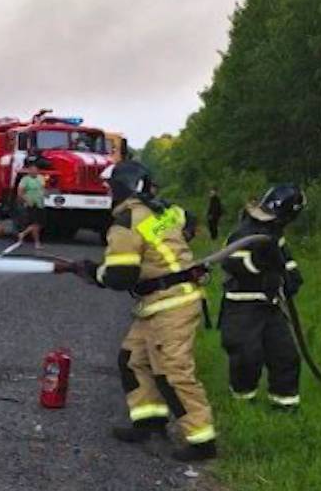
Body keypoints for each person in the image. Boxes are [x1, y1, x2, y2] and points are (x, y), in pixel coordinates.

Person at [68, 159, 218, 462]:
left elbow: (119, 276)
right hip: (161, 300)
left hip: (171, 304)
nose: (108, 193)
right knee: (132, 358)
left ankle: (202, 439)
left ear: (121, 187)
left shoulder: (126, 222)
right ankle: (149, 421)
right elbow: (189, 220)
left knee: (172, 371)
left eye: (110, 188)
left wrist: (93, 272)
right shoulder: (166, 210)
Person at [219, 184, 307, 412]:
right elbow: (232, 262)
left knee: (285, 355)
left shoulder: (275, 233)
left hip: (270, 306)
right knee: (247, 356)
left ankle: (285, 405)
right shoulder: (245, 232)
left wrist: (292, 276)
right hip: (242, 305)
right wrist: (262, 268)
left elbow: (285, 259)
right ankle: (242, 402)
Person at [15, 161, 47, 250]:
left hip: (40, 203)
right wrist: (24, 200)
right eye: (31, 170)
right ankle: (37, 242)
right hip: (31, 203)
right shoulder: (25, 180)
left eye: (35, 170)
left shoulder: (41, 178)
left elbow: (43, 189)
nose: (34, 171)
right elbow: (20, 191)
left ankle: (23, 233)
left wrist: (46, 195)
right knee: (35, 223)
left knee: (39, 224)